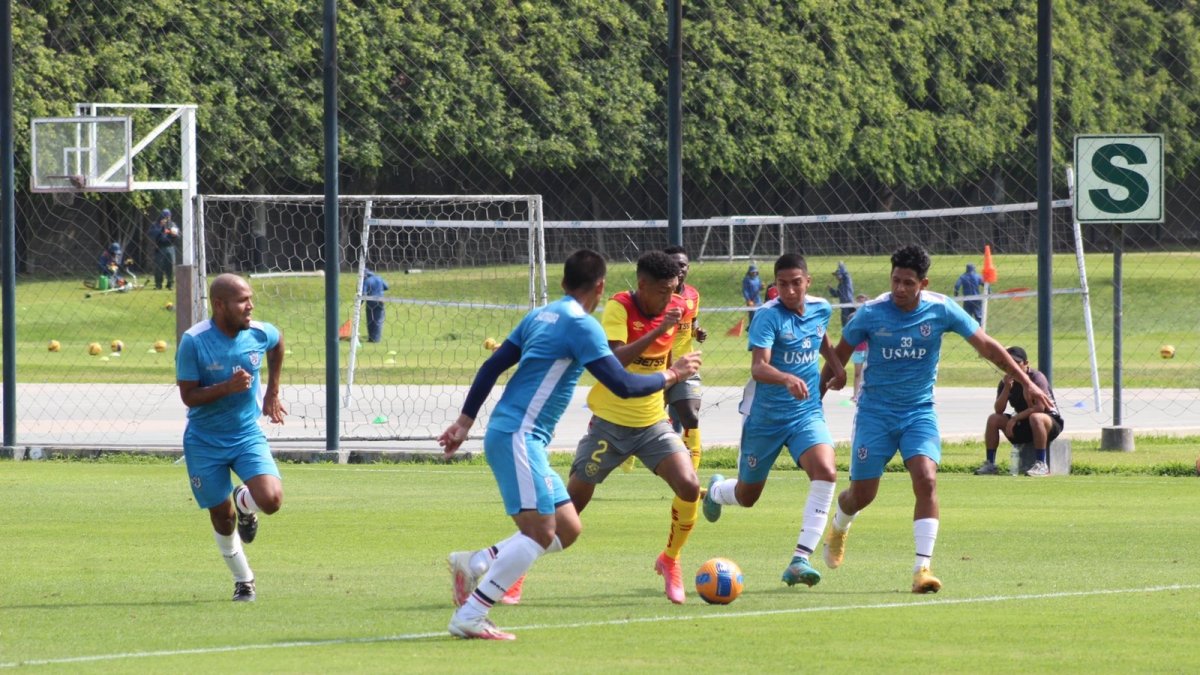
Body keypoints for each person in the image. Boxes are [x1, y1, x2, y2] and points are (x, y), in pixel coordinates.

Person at [439, 249, 701, 640]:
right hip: (519, 435)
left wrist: (464, 422)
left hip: (521, 436)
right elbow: (623, 384)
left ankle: (476, 561)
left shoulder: (541, 315)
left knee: (567, 528)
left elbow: (492, 366)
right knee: (541, 532)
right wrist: (673, 375)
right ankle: (472, 614)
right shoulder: (583, 326)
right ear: (601, 286)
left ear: (563, 283)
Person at [818, 245, 1052, 594]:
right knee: (862, 495)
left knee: (927, 479)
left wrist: (1028, 383)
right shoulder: (870, 313)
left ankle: (922, 569)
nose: (899, 288)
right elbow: (837, 359)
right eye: (895, 280)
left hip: (919, 412)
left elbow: (988, 347)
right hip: (875, 414)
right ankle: (840, 524)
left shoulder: (941, 309)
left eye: (908, 283)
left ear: (923, 284)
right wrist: (815, 402)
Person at [702, 253, 846, 589]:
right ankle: (717, 491)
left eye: (796, 283)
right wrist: (786, 378)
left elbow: (820, 334)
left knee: (826, 472)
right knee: (747, 495)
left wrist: (837, 365)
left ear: (808, 282)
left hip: (805, 412)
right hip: (764, 419)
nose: (790, 290)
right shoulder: (767, 316)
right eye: (783, 284)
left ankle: (799, 560)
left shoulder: (821, 308)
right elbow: (759, 367)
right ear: (775, 285)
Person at [567, 250, 701, 605]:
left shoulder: (676, 307)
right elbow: (615, 362)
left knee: (689, 485)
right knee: (571, 506)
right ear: (642, 284)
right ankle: (516, 572)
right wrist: (660, 329)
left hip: (652, 423)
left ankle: (670, 559)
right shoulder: (619, 307)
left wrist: (672, 383)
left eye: (674, 289)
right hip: (609, 426)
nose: (670, 297)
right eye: (663, 291)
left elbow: (667, 357)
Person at [176, 273, 287, 603]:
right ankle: (243, 580)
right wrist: (227, 387)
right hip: (204, 441)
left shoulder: (257, 333)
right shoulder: (194, 341)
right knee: (222, 517)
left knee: (272, 500)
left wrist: (272, 392)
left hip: (245, 434)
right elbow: (188, 396)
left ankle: (245, 501)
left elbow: (278, 342)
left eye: (250, 299)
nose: (250, 306)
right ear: (220, 305)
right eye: (242, 301)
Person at [974, 346, 1064, 477]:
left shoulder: (1036, 378)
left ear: (1026, 363)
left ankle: (1041, 464)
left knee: (1036, 417)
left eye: (1017, 363)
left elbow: (1040, 408)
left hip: (1048, 423)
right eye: (1009, 363)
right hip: (1025, 423)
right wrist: (1006, 388)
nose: (1013, 367)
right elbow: (998, 409)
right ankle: (990, 464)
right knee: (994, 418)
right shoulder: (1006, 381)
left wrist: (1015, 418)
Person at [664, 245, 708, 469]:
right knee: (641, 421)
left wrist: (696, 332)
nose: (678, 269)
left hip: (685, 366)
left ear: (688, 268)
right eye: (673, 265)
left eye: (682, 265)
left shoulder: (693, 295)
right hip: (656, 368)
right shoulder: (656, 295)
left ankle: (692, 471)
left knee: (691, 416)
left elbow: (692, 322)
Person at [148, 209, 180, 290]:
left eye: (168, 217)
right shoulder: (156, 224)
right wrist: (161, 228)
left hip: (170, 247)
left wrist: (174, 234)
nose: (167, 218)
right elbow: (151, 233)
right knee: (159, 267)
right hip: (160, 247)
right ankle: (158, 284)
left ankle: (170, 284)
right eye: (165, 217)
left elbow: (177, 235)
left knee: (170, 266)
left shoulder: (172, 224)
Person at [850, 293, 869, 401]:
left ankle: (867, 394)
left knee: (868, 373)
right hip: (858, 348)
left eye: (862, 302)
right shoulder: (852, 316)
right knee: (857, 373)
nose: (860, 304)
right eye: (858, 302)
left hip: (868, 348)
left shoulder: (870, 316)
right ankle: (855, 394)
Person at [361, 269, 389, 343]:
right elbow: (387, 287)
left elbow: (363, 293)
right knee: (378, 320)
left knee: (370, 320)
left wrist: (360, 303)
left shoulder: (366, 281)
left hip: (371, 302)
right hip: (380, 301)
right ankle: (376, 338)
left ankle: (371, 338)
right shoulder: (379, 278)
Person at [828, 261, 855, 326]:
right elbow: (836, 294)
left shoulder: (847, 281)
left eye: (838, 275)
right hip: (843, 306)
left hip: (849, 304)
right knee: (844, 323)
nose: (836, 277)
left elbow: (846, 273)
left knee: (850, 321)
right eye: (836, 275)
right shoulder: (840, 285)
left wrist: (841, 265)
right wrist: (830, 289)